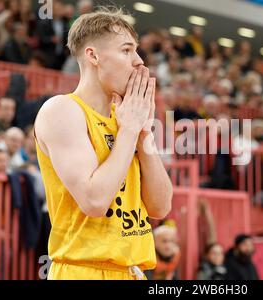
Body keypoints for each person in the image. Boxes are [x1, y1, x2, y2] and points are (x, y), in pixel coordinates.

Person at [34, 7, 173, 280]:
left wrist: (143, 132)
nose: (139, 62)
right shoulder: (62, 110)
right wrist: (129, 131)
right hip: (83, 270)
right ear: (93, 55)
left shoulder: (126, 121)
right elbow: (95, 200)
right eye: (126, 50)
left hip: (133, 270)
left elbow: (160, 206)